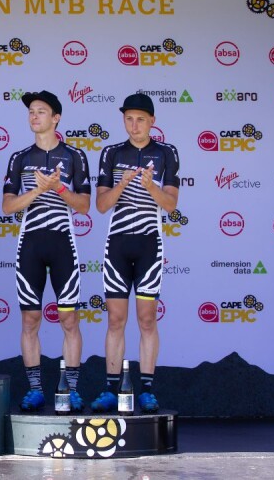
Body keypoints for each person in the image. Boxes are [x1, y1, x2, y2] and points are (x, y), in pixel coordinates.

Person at [2, 91, 91, 412]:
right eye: (31, 111)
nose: (34, 116)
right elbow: (8, 206)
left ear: (56, 118)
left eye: (41, 111)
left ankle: (71, 390)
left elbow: (84, 205)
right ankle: (36, 389)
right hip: (30, 244)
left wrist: (58, 188)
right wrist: (38, 191)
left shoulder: (75, 156)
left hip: (62, 242)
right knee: (30, 319)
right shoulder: (19, 158)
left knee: (69, 319)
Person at [91, 93, 180, 414]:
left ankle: (147, 390)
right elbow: (101, 205)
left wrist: (149, 186)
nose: (134, 125)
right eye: (129, 118)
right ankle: (110, 388)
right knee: (116, 319)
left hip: (149, 245)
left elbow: (171, 204)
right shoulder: (112, 152)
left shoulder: (166, 152)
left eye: (141, 119)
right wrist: (123, 184)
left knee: (146, 319)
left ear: (152, 121)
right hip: (117, 244)